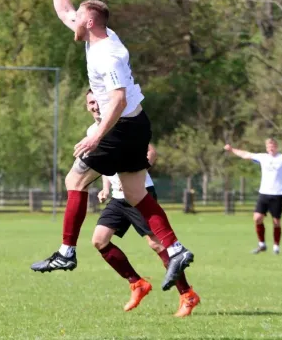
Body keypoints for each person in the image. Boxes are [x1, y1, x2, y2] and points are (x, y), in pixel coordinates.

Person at [32, 0, 194, 293]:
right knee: (136, 193)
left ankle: (66, 252)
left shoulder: (110, 54)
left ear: (89, 21)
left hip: (120, 126)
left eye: (79, 15)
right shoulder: (95, 37)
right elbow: (64, 12)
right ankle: (176, 249)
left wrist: (97, 137)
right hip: (137, 123)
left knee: (75, 178)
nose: (72, 18)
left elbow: (118, 100)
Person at [85, 90, 200, 316]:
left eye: (98, 101)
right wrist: (106, 188)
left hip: (139, 194)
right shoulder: (92, 132)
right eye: (91, 102)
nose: (95, 106)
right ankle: (137, 284)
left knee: (157, 245)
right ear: (87, 106)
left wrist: (135, 175)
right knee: (99, 241)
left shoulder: (120, 122)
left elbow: (152, 152)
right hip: (118, 199)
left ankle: (188, 295)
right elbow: (106, 165)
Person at [224, 139, 282, 254]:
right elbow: (245, 155)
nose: (271, 148)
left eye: (272, 146)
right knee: (257, 218)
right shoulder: (262, 157)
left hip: (277, 194)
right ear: (266, 148)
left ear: (276, 147)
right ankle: (262, 244)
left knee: (276, 221)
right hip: (264, 193)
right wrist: (232, 149)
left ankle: (276, 246)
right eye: (268, 146)